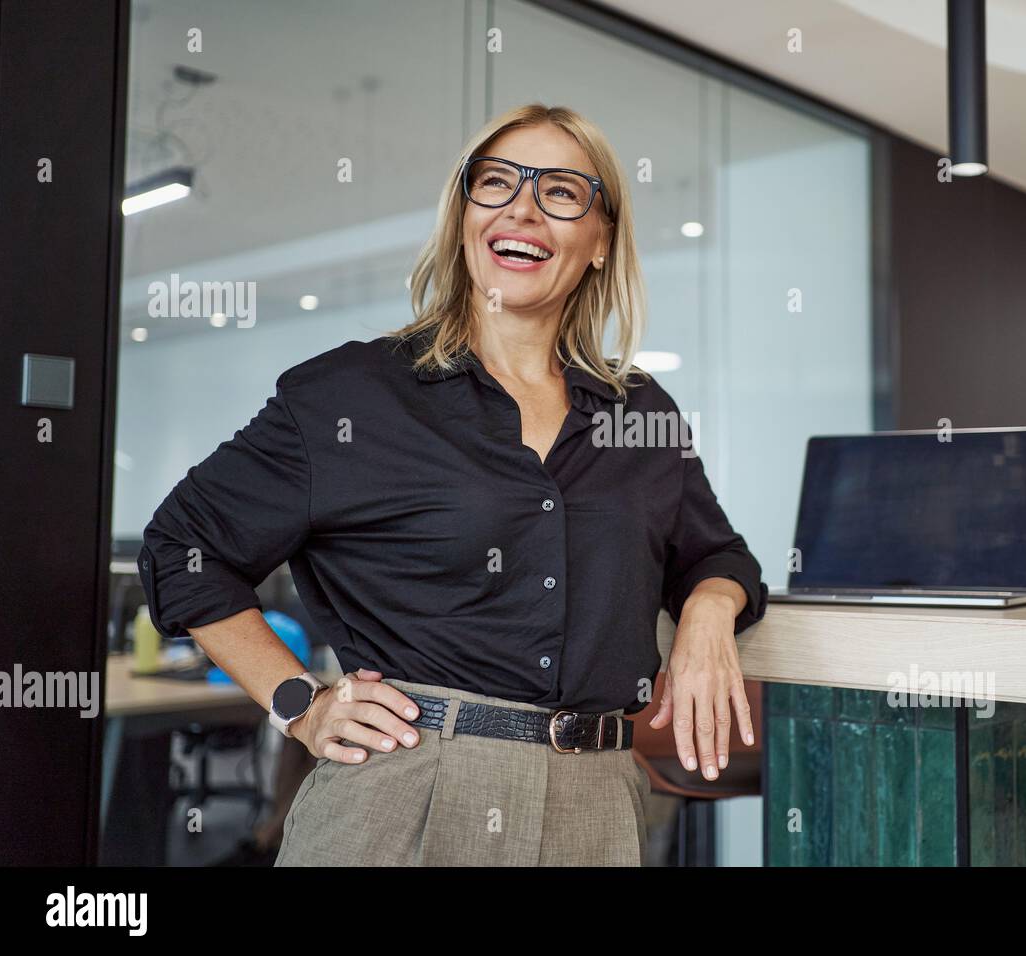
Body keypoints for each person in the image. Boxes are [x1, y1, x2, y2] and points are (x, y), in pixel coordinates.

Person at [139, 103, 768, 866]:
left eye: (563, 191)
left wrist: (707, 609)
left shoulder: (640, 412)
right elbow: (183, 546)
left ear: (601, 239)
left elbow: (716, 554)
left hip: (599, 800)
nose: (524, 208)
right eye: (497, 183)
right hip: (405, 793)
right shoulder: (355, 393)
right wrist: (298, 702)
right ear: (464, 217)